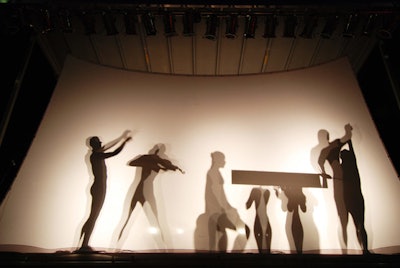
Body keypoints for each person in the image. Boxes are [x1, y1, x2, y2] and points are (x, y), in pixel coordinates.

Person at [116, 144, 184, 249]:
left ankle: (164, 247)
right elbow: (131, 163)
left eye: (157, 150)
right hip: (141, 190)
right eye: (155, 149)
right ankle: (116, 245)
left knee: (155, 219)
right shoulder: (147, 158)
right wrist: (153, 163)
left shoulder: (158, 160)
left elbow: (171, 167)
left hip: (146, 190)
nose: (155, 151)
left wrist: (159, 164)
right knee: (128, 219)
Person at [79, 130, 132, 252]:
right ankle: (83, 245)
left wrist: (121, 138)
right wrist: (124, 142)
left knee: (93, 216)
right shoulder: (96, 155)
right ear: (95, 144)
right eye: (99, 142)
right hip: (98, 188)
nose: (102, 143)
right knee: (93, 217)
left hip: (99, 187)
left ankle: (83, 244)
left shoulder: (96, 154)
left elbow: (109, 146)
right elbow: (114, 152)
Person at [317, 123, 352, 252]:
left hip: (343, 181)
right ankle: (345, 249)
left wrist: (347, 131)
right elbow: (319, 163)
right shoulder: (328, 149)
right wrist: (324, 173)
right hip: (338, 182)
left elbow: (347, 137)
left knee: (344, 215)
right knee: (342, 216)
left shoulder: (331, 147)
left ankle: (346, 249)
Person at [340, 139, 369, 254]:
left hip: (351, 199)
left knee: (359, 224)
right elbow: (351, 151)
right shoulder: (349, 165)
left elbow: (351, 151)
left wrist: (348, 140)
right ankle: (364, 249)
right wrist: (348, 140)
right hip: (354, 198)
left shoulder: (347, 165)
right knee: (360, 224)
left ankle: (364, 249)